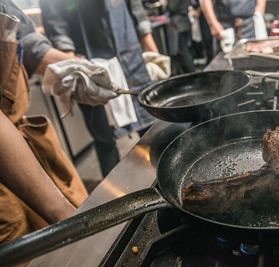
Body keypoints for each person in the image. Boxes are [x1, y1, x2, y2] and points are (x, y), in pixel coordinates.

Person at [0, 0, 92, 244]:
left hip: (25, 146)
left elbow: (27, 43)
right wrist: (63, 215)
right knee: (28, 247)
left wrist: (78, 67)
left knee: (77, 213)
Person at [39, 0, 158, 177]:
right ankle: (113, 197)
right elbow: (57, 26)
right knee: (104, 136)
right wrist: (76, 67)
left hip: (130, 56)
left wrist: (154, 54)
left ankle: (161, 172)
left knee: (149, 124)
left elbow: (136, 10)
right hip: (89, 63)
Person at [201, 0, 268, 50]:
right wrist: (213, 23)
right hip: (225, 27)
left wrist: (260, 9)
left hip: (250, 24)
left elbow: (260, 6)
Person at [166, 0, 196, 74]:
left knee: (182, 51)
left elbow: (172, 7)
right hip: (183, 21)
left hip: (179, 24)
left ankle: (191, 74)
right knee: (184, 50)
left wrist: (165, 5)